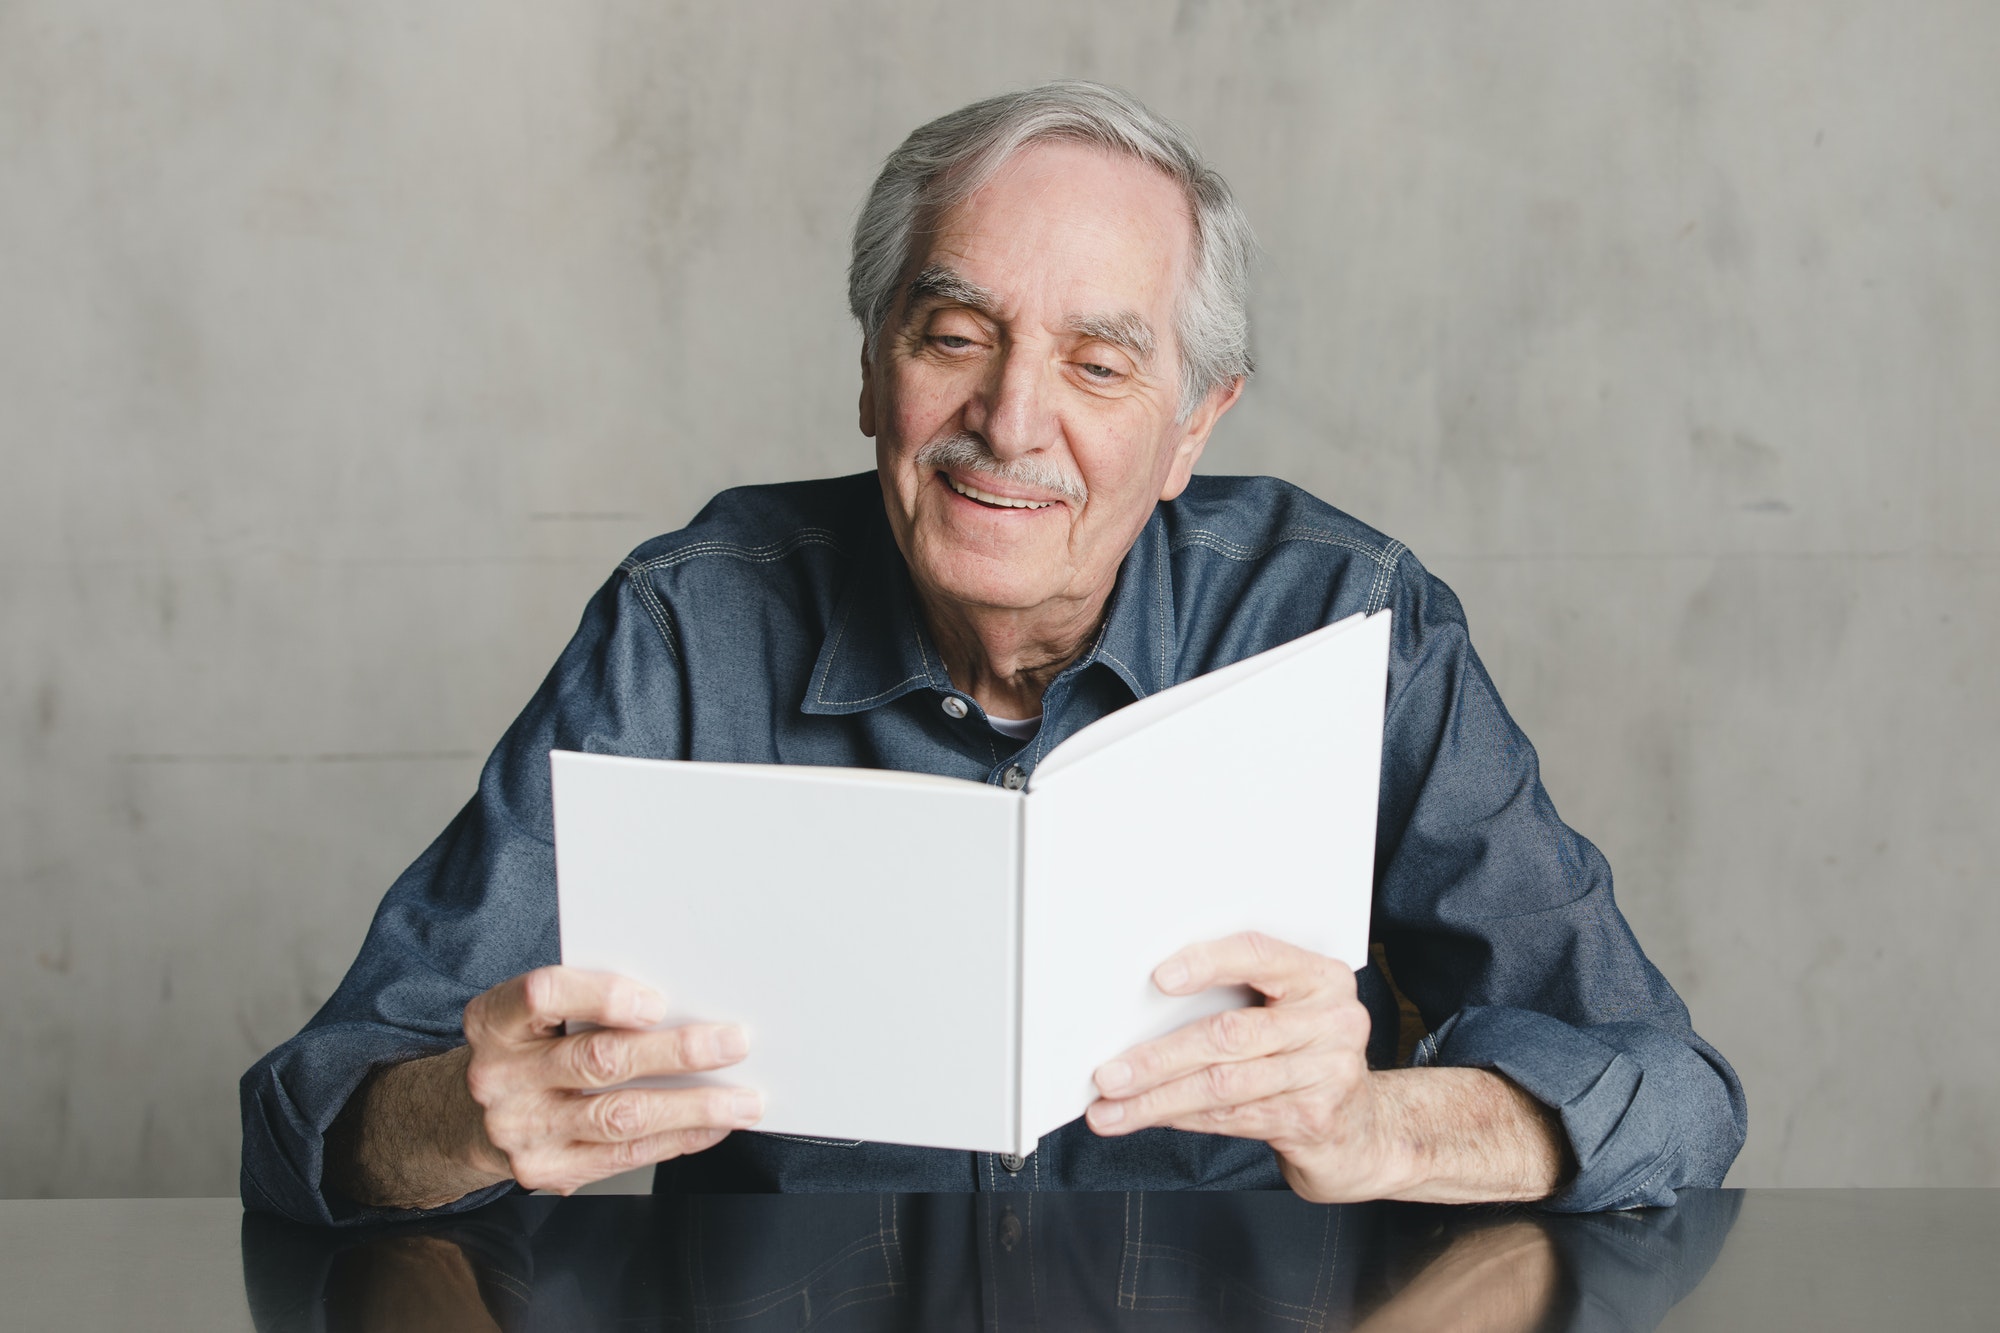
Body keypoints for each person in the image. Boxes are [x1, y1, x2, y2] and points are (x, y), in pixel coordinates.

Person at [240, 82, 1745, 1226]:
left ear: (1195, 426)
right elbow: (306, 1120)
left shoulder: (1352, 624)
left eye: (1098, 364)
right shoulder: (686, 629)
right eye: (955, 336)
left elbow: (1677, 1094)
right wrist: (464, 1116)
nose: (1013, 422)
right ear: (871, 366)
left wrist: (1376, 1126)